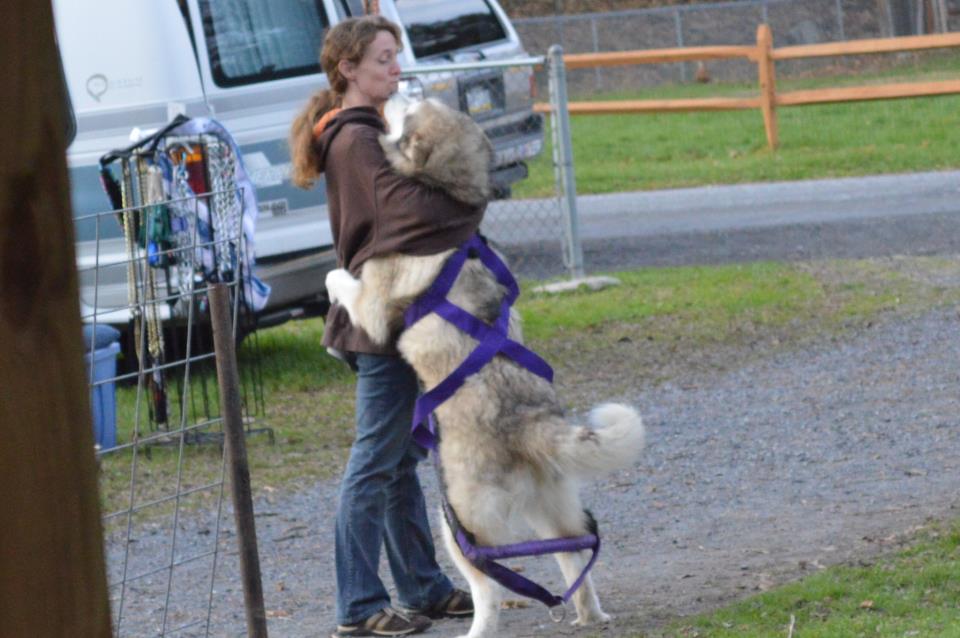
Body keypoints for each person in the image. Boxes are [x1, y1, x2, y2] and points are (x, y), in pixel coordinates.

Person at [289, 15, 482, 638]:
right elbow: (406, 217)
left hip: (396, 314)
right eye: (382, 59)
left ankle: (422, 588)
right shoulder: (357, 140)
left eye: (396, 57)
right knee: (374, 461)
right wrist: (468, 194)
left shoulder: (366, 132)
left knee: (398, 460)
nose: (395, 68)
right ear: (348, 69)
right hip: (379, 322)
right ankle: (358, 606)